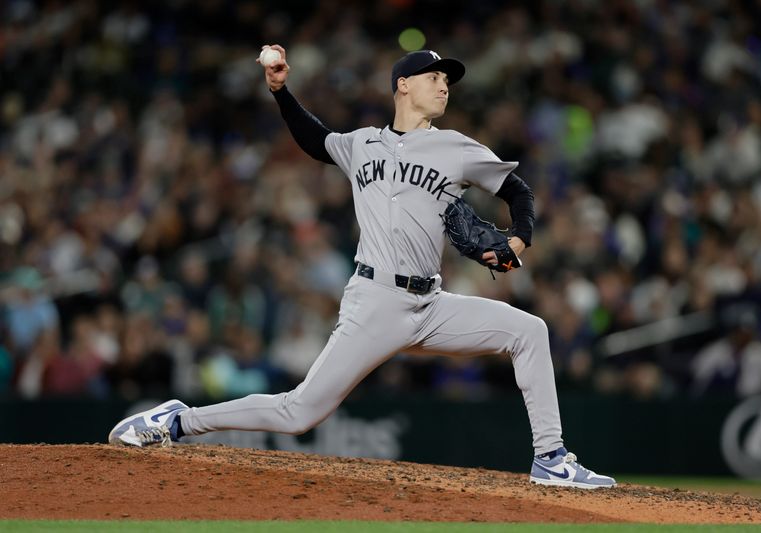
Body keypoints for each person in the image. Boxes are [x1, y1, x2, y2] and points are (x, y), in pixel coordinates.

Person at [109, 45, 616, 489]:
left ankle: (551, 459)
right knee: (300, 411)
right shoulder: (361, 144)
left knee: (529, 330)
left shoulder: (456, 147)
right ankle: (179, 419)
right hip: (375, 302)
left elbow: (518, 191)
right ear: (404, 85)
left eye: (447, 81)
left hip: (431, 303)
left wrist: (519, 242)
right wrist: (281, 91)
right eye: (435, 78)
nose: (444, 86)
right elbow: (315, 139)